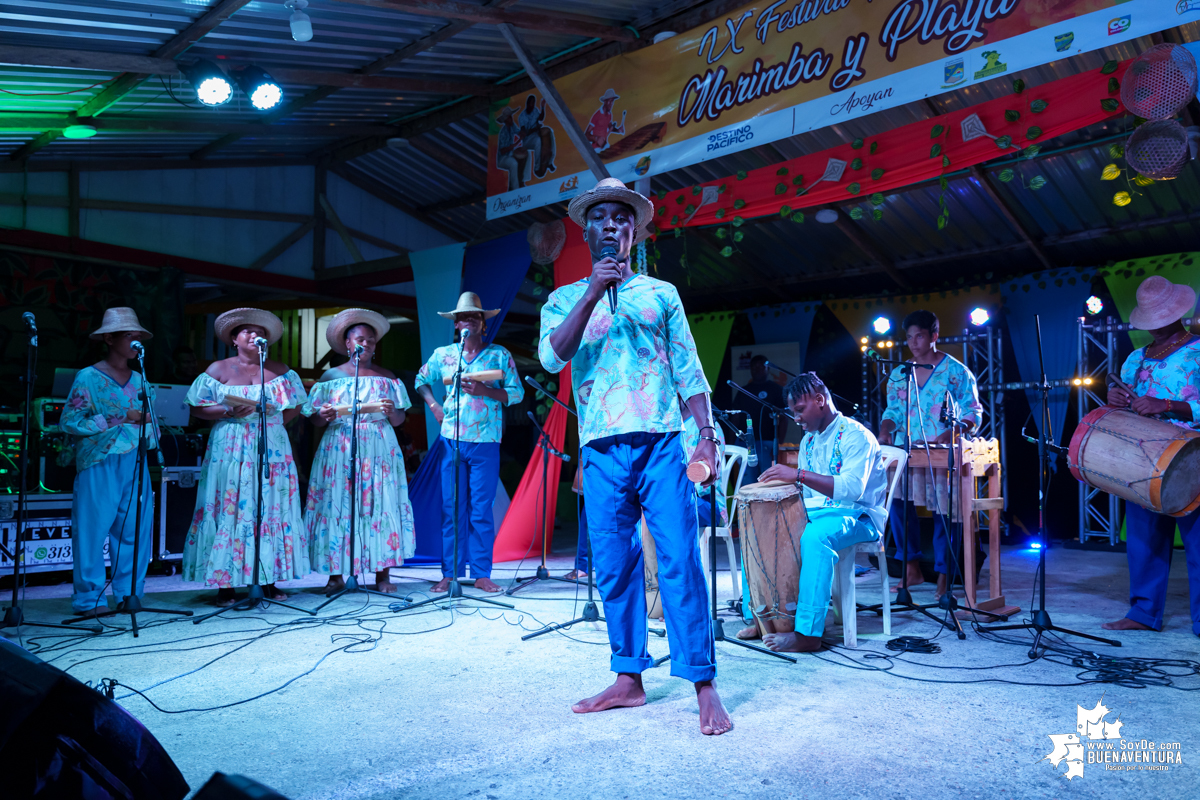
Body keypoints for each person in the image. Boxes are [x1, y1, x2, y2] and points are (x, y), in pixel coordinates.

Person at [539, 176, 731, 736]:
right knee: (615, 566)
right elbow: (554, 360)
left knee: (678, 560)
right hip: (600, 448)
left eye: (622, 218)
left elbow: (688, 369)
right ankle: (628, 678)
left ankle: (702, 681)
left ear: (633, 232)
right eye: (601, 218)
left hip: (662, 442)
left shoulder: (660, 294)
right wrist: (593, 291)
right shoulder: (562, 299)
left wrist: (707, 434)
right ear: (587, 230)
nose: (611, 226)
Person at [740, 372, 889, 652]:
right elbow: (809, 496)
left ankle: (808, 634)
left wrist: (797, 474)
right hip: (822, 513)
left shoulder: (857, 436)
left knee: (815, 538)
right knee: (759, 527)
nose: (796, 418)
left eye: (800, 410)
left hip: (860, 516)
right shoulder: (809, 440)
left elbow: (851, 490)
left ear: (819, 400)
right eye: (793, 412)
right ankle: (761, 618)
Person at [182, 308, 309, 606]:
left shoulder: (282, 371)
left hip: (272, 445)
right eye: (247, 331)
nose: (255, 336)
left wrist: (274, 422)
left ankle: (268, 579)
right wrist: (228, 411)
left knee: (270, 506)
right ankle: (225, 584)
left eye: (260, 332)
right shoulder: (218, 369)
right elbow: (196, 408)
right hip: (231, 444)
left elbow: (296, 405)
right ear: (234, 339)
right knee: (230, 508)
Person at [1104, 276, 1200, 637]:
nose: (1156, 326)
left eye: (1163, 317)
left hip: (1193, 457)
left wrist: (1170, 405)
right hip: (1144, 461)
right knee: (1144, 541)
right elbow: (1128, 407)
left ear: (1177, 313)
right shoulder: (1134, 359)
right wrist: (1118, 402)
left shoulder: (1198, 351)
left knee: (1199, 542)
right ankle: (1144, 612)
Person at [414, 292, 524, 595]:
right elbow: (420, 379)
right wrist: (434, 406)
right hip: (452, 440)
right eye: (463, 317)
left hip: (486, 441)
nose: (468, 321)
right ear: (456, 324)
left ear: (483, 324)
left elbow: (516, 394)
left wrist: (484, 390)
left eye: (475, 316)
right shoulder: (444, 355)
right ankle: (449, 574)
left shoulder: (499, 355)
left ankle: (481, 573)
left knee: (480, 510)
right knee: (451, 509)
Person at [303, 309, 414, 595]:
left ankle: (382, 573)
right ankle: (336, 575)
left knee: (380, 504)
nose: (366, 345)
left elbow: (400, 420)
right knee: (337, 504)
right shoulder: (330, 377)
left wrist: (392, 411)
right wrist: (323, 414)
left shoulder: (387, 376)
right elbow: (313, 418)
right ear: (347, 344)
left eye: (372, 341)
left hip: (378, 445)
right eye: (360, 340)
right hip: (340, 446)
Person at [60, 308, 158, 617]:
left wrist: (147, 425)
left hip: (135, 459)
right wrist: (119, 416)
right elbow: (70, 421)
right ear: (109, 338)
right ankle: (89, 599)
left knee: (133, 529)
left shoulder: (142, 379)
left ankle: (129, 593)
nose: (136, 340)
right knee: (93, 530)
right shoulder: (88, 377)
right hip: (100, 461)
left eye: (138, 335)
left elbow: (152, 425)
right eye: (129, 335)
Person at [877, 309, 981, 595]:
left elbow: (973, 410)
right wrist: (886, 430)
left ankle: (944, 574)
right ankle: (911, 569)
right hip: (907, 452)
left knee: (945, 513)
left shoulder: (956, 371)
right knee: (897, 506)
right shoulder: (899, 374)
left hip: (943, 454)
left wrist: (952, 433)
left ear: (934, 336)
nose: (913, 342)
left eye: (919, 336)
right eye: (909, 337)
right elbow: (892, 411)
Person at [732, 354, 788, 483]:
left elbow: (783, 418)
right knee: (747, 481)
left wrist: (778, 444)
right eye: (754, 366)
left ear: (768, 368)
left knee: (767, 480)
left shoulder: (776, 390)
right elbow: (736, 417)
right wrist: (733, 442)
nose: (757, 369)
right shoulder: (743, 391)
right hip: (745, 444)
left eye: (761, 366)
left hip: (767, 444)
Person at [517, 94, 556, 180]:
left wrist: (542, 107)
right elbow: (524, 133)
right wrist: (536, 129)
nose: (532, 105)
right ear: (527, 104)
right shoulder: (522, 116)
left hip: (536, 133)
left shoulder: (535, 110)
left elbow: (541, 118)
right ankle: (537, 167)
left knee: (549, 132)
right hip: (527, 140)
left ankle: (549, 162)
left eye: (533, 103)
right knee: (538, 141)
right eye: (531, 103)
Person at [495, 107, 526, 191]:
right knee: (513, 163)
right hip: (503, 159)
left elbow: (518, 132)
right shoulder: (503, 132)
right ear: (505, 120)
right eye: (509, 117)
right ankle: (515, 189)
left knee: (526, 155)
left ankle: (522, 181)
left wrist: (522, 133)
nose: (511, 118)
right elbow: (502, 150)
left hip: (510, 155)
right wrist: (513, 145)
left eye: (511, 116)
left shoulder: (512, 126)